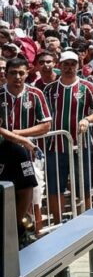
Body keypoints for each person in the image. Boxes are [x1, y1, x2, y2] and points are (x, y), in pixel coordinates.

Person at [43, 51, 93, 224]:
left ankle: (85, 221)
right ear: (59, 66)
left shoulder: (87, 87)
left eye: (73, 64)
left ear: (78, 66)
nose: (69, 68)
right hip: (55, 146)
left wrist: (87, 119)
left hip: (82, 144)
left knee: (84, 185)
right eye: (66, 64)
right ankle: (58, 223)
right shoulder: (49, 89)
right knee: (55, 186)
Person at [0, 57, 51, 235]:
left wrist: (19, 135)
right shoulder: (0, 95)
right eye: (13, 73)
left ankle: (32, 232)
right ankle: (12, 232)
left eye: (21, 73)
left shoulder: (35, 94)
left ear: (27, 73)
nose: (17, 77)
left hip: (29, 154)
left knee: (33, 193)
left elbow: (45, 125)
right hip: (3, 155)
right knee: (7, 193)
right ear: (5, 74)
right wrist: (17, 138)